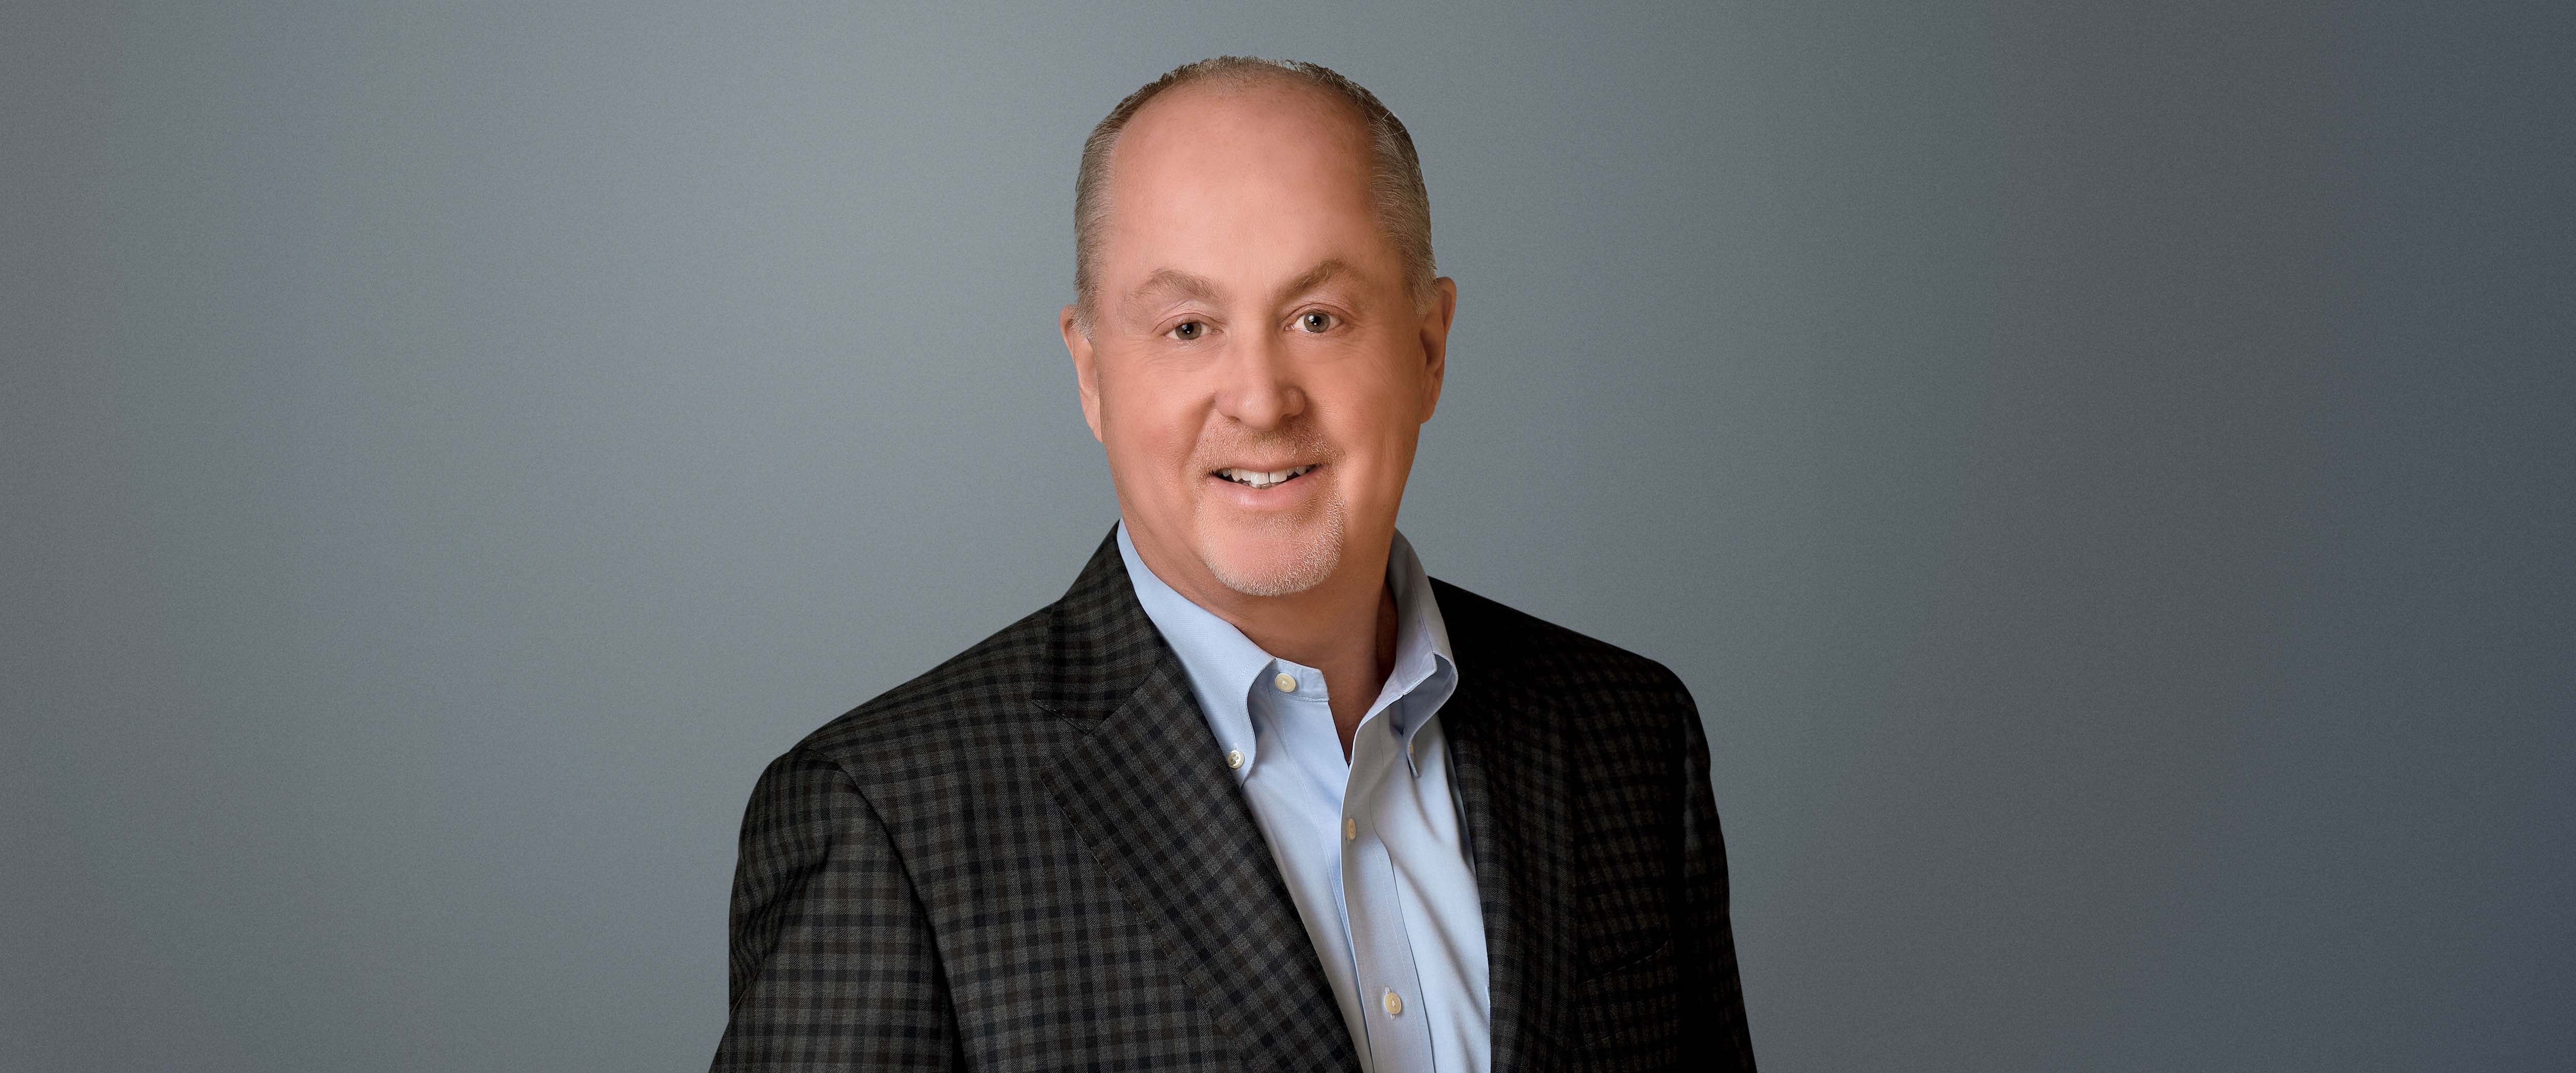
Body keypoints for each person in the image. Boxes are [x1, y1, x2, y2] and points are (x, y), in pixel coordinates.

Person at [712, 56, 1754, 1072]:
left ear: (1428, 346)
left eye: (1318, 318)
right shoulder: (888, 821)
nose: (1259, 397)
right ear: (1090, 372)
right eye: (1187, 327)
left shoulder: (1628, 733)